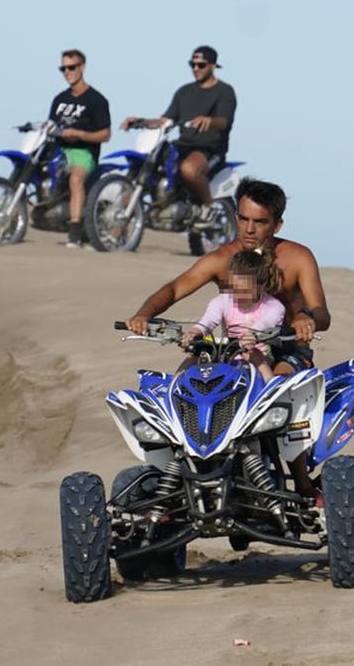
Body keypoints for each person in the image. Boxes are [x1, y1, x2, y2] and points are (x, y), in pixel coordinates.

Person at [124, 179, 329, 495]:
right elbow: (176, 288)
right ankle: (176, 478)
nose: (249, 229)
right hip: (232, 354)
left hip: (285, 351)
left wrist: (304, 318)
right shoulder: (223, 258)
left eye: (260, 222)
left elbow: (321, 313)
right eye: (243, 218)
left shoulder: (298, 258)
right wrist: (143, 314)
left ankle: (302, 484)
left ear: (277, 224)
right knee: (188, 385)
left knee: (279, 390)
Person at [120, 45, 237, 224]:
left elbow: (224, 121)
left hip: (210, 148)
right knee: (146, 164)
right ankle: (112, 232)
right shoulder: (184, 92)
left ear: (213, 65)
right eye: (193, 64)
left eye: (201, 65)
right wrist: (139, 121)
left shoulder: (225, 91)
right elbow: (165, 120)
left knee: (188, 170)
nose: (196, 69)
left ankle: (208, 208)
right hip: (183, 144)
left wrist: (210, 121)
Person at [181, 249, 285, 381]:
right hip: (225, 354)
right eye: (235, 288)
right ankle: (174, 388)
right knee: (195, 355)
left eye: (245, 290)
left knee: (254, 355)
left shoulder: (274, 307)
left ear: (262, 285)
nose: (238, 294)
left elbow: (265, 324)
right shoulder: (222, 301)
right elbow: (208, 321)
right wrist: (196, 331)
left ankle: (269, 390)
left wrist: (252, 336)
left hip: (258, 355)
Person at [48, 49, 111, 247]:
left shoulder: (96, 100)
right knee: (29, 164)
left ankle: (74, 232)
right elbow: (52, 125)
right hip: (58, 150)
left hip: (83, 152)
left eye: (71, 67)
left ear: (82, 67)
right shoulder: (59, 99)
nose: (67, 72)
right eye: (63, 68)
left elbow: (106, 134)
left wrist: (79, 134)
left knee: (76, 178)